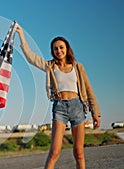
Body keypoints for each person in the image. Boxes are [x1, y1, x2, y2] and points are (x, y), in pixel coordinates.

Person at [16, 24, 101, 169]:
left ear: (67, 48)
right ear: (52, 51)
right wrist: (21, 34)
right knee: (54, 152)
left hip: (78, 107)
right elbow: (30, 57)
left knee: (79, 152)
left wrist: (96, 114)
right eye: (55, 48)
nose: (58, 51)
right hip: (59, 108)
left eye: (61, 47)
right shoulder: (50, 67)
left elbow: (89, 89)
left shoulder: (78, 67)